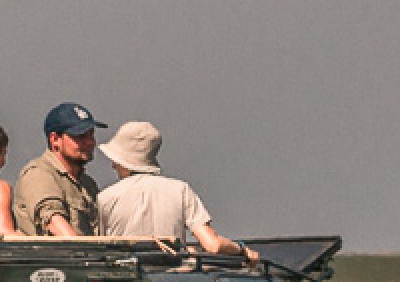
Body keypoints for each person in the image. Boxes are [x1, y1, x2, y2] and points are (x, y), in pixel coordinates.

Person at [94, 121, 253, 258]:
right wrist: (241, 249)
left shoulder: (105, 198)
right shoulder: (180, 190)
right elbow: (213, 245)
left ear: (123, 161)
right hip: (173, 281)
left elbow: (101, 248)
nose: (113, 165)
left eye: (115, 160)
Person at [13, 102, 107, 237]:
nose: (90, 142)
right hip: (56, 257)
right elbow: (53, 221)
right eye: (80, 136)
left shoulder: (88, 184)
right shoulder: (39, 174)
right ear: (55, 139)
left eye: (91, 134)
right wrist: (82, 252)